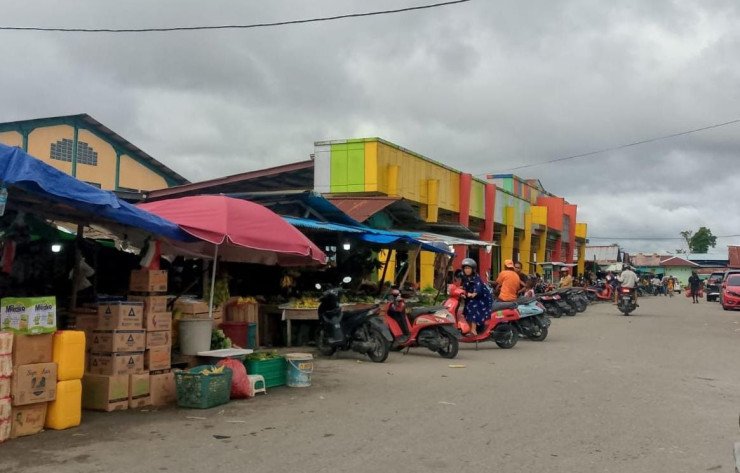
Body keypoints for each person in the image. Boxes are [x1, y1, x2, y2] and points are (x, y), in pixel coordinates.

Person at [459, 258, 493, 336]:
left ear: (473, 269)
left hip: (482, 299)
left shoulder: (476, 278)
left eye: (468, 268)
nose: (467, 270)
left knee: (472, 308)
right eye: (465, 268)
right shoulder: (465, 277)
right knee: (466, 309)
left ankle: (473, 331)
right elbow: (462, 287)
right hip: (473, 298)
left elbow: (477, 290)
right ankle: (469, 328)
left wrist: (472, 294)